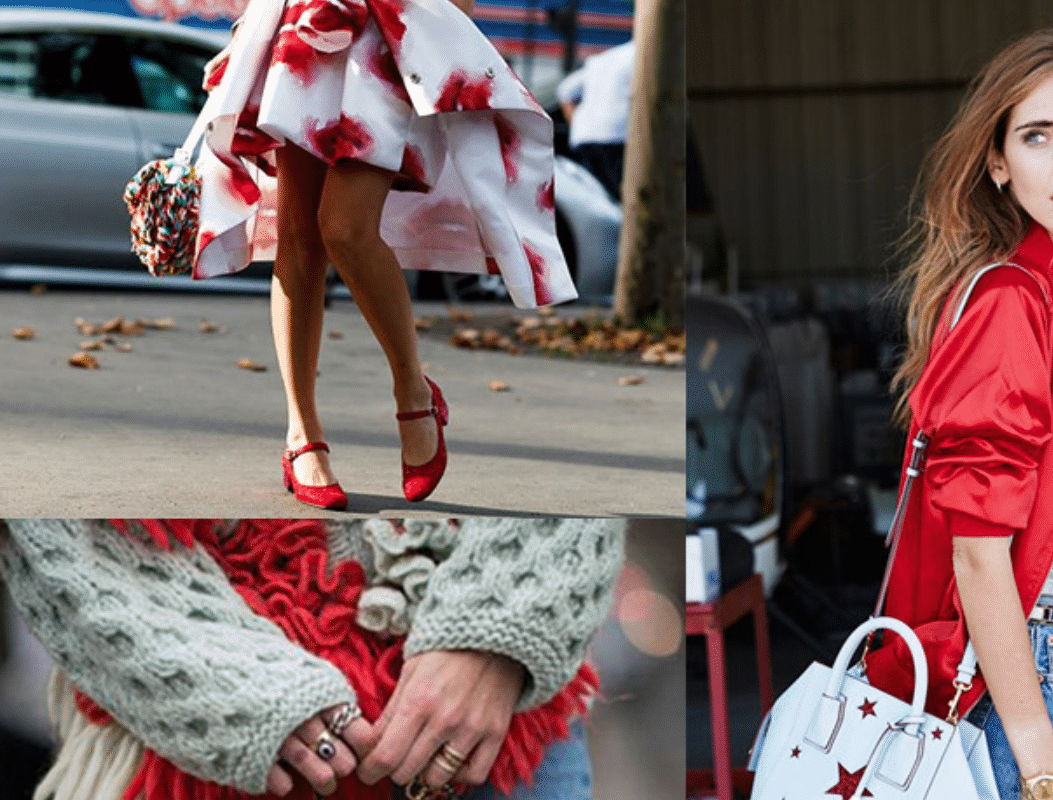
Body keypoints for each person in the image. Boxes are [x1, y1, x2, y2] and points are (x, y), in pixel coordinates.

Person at [866, 29, 1053, 800]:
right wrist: (1039, 760)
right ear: (998, 162)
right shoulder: (1008, 304)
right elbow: (978, 554)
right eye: (1037, 136)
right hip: (1040, 690)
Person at [191, 0, 579, 510]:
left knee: (346, 228)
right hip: (300, 23)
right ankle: (301, 434)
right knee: (299, 236)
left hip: (388, 34)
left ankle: (413, 392)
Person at [0, 518, 621, 800]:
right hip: (191, 739)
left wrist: (500, 625)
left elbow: (603, 412)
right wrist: (215, 673)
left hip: (490, 723)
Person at [557, 39, 635, 201]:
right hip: (618, 136)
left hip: (584, 137)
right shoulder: (645, 56)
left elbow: (565, 90)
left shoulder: (606, 57)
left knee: (601, 201)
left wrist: (576, 124)